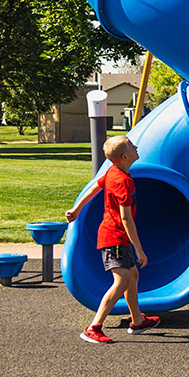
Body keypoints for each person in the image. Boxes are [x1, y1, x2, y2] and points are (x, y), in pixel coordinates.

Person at [65, 136, 161, 343]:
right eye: (132, 145)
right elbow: (126, 218)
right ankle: (93, 327)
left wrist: (77, 209)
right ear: (125, 156)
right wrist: (139, 249)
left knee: (132, 276)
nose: (136, 147)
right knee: (122, 281)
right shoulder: (122, 181)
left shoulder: (113, 171)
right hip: (114, 237)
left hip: (116, 236)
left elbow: (93, 188)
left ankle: (137, 321)